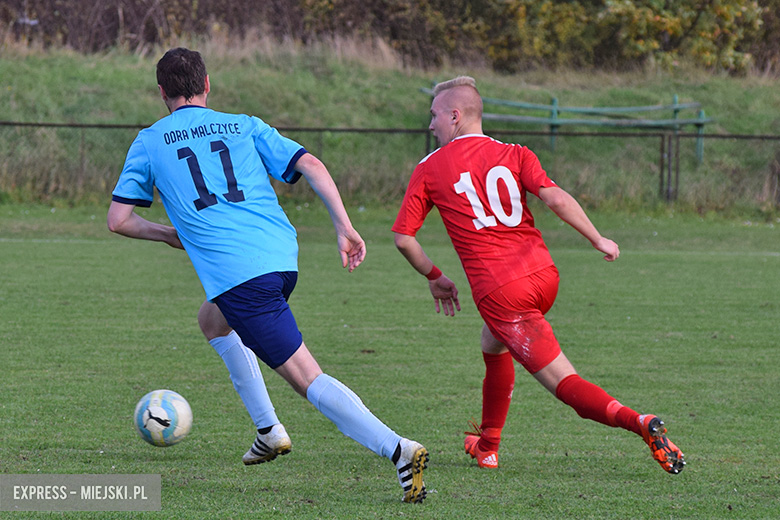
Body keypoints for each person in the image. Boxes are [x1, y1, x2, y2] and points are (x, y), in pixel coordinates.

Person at [107, 47, 428, 503]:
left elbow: (119, 220)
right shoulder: (242, 123)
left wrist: (169, 235)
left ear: (161, 92)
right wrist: (344, 225)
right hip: (280, 259)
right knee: (213, 320)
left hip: (242, 278)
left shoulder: (150, 140)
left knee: (306, 377)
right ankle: (269, 430)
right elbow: (311, 165)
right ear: (207, 85)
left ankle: (398, 448)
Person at [392, 76, 685, 475]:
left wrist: (435, 275)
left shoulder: (429, 168)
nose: (430, 125)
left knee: (565, 384)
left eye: (434, 116)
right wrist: (597, 238)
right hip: (543, 276)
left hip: (501, 291)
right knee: (492, 343)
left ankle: (641, 422)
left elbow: (403, 239)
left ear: (455, 116)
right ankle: (488, 445)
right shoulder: (516, 153)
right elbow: (555, 197)